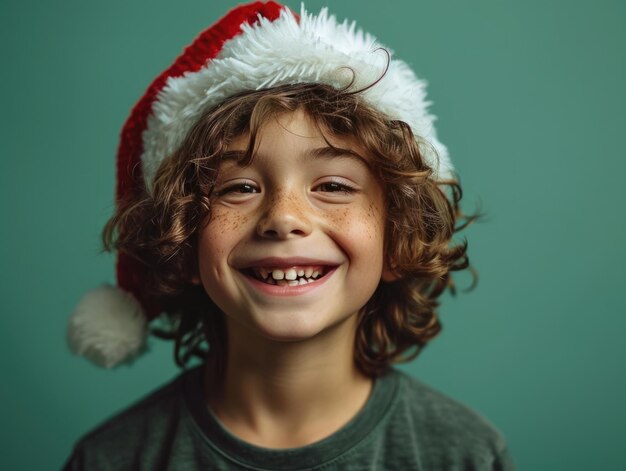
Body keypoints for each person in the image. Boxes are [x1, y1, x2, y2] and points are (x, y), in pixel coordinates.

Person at [64, 2, 513, 469]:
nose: (283, 218)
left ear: (397, 236)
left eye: (334, 186)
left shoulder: (465, 455)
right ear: (184, 240)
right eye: (239, 188)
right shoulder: (111, 459)